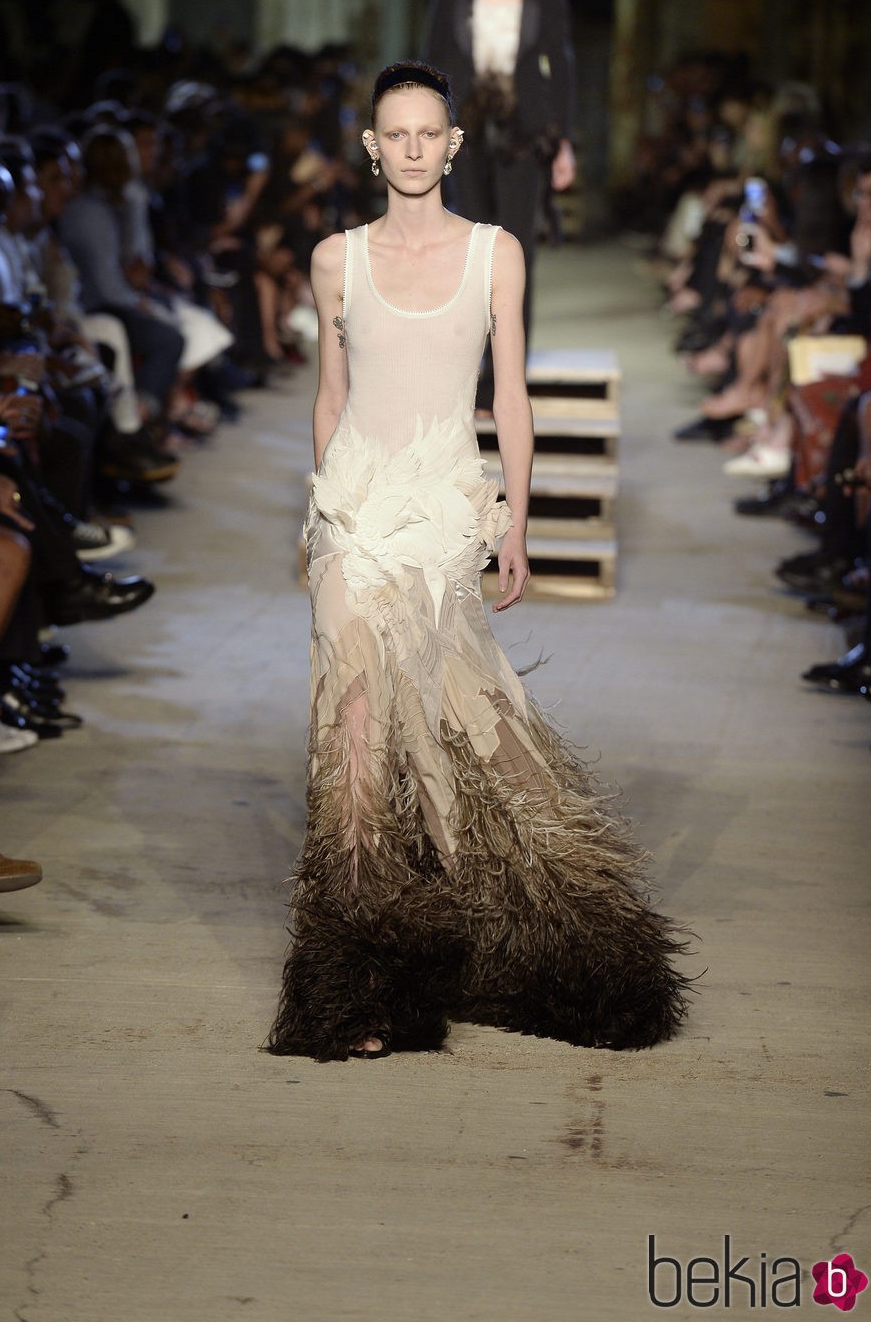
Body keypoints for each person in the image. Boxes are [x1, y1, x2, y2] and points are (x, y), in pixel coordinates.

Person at [268, 61, 688, 1062]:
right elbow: (331, 391)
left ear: (452, 145)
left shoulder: (496, 253)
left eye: (428, 133)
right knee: (354, 732)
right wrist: (320, 505)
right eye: (394, 134)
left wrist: (517, 519)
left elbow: (512, 396)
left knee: (460, 723)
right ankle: (355, 986)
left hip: (446, 503)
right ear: (371, 148)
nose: (411, 149)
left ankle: (536, 934)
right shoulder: (336, 258)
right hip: (356, 508)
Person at [424, 0, 576, 404]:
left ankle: (508, 373)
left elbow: (559, 57)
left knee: (513, 250)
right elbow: (436, 47)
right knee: (464, 245)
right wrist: (425, 123)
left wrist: (566, 141)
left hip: (524, 126)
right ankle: (465, 366)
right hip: (465, 121)